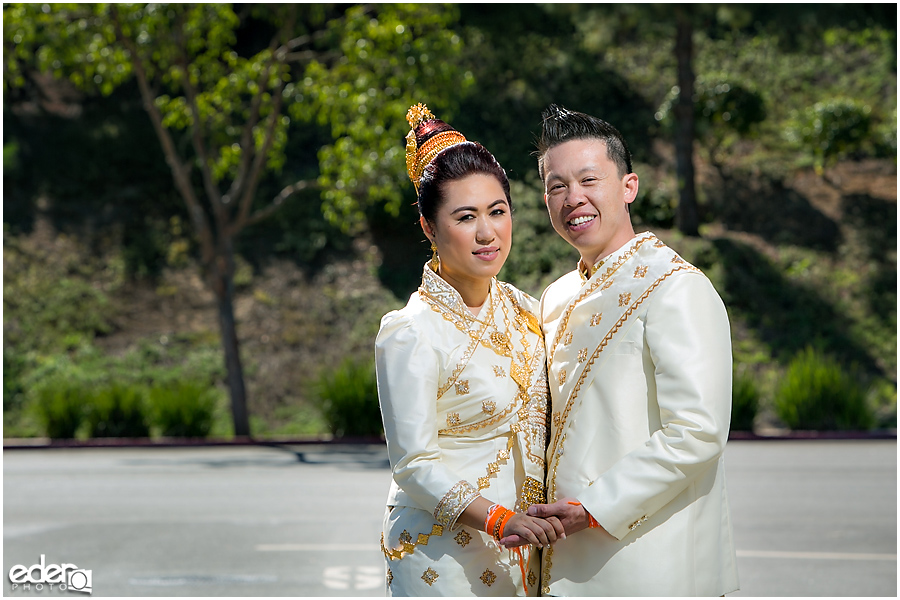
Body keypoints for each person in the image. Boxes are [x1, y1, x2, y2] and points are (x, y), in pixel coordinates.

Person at [503, 104, 740, 596]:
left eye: (589, 180)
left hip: (647, 558)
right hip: (559, 556)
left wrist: (591, 508)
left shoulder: (676, 287)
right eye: (556, 187)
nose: (573, 199)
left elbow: (697, 432)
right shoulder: (554, 297)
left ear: (628, 187)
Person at [375, 103, 562, 596]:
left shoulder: (527, 310)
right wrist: (500, 520)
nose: (487, 233)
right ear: (429, 228)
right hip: (441, 554)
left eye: (498, 212)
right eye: (465, 217)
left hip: (527, 548)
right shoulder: (410, 330)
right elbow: (413, 465)